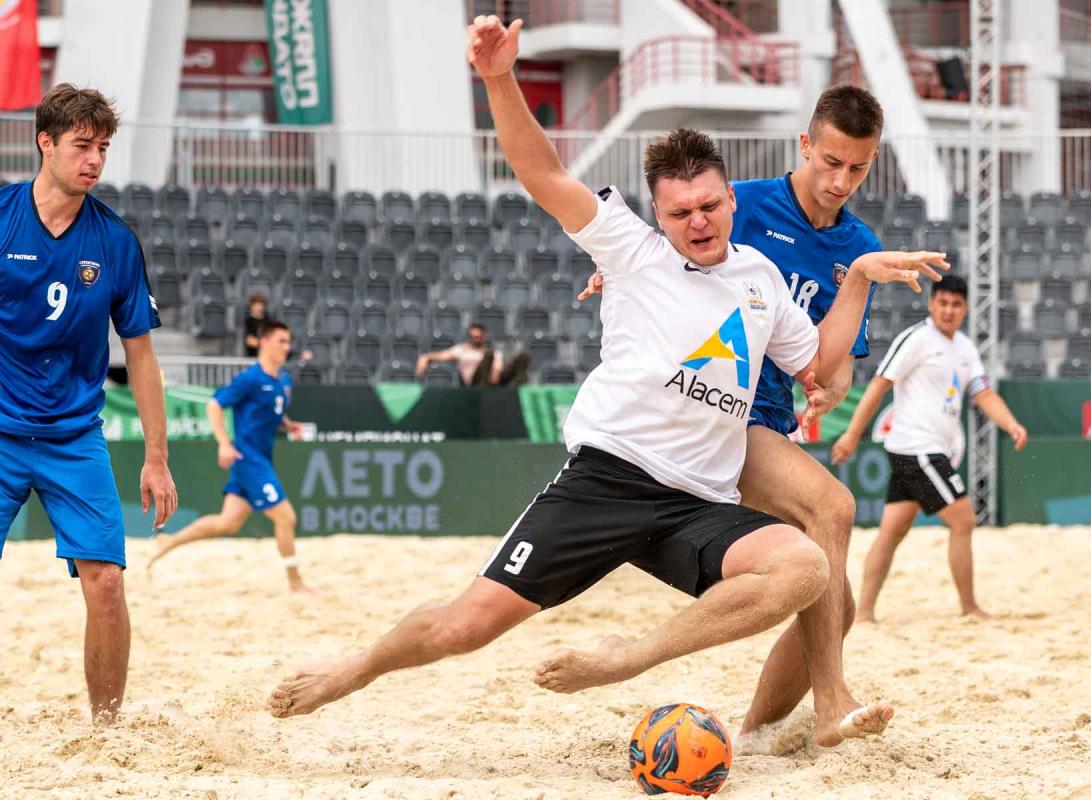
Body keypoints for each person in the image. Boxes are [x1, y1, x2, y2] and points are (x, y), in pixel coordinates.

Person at [268, 16, 945, 735]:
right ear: (657, 214)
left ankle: (632, 659)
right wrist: (499, 78)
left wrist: (859, 278)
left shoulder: (761, 279)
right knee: (466, 626)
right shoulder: (631, 249)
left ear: (732, 202)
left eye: (709, 207)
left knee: (807, 570)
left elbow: (819, 365)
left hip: (696, 501)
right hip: (608, 483)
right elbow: (543, 174)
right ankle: (354, 669)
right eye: (680, 212)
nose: (699, 222)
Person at [581, 86, 890, 745]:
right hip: (722, 413)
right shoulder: (737, 202)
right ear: (805, 145)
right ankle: (832, 702)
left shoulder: (859, 244)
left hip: (777, 419)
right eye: (831, 162)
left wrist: (834, 388)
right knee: (832, 508)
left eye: (858, 168)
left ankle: (754, 736)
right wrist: (616, 275)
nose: (841, 181)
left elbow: (837, 359)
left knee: (834, 606)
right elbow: (663, 253)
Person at [0, 83, 177, 724]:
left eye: (103, 147)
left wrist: (156, 458)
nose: (95, 159)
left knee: (107, 582)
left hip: (74, 438)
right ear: (44, 143)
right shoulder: (2, 217)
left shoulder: (115, 241)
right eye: (82, 145)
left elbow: (142, 356)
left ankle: (107, 732)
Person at [832, 275, 1028, 621]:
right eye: (943, 303)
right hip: (917, 448)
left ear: (966, 309)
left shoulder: (966, 348)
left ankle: (864, 613)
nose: (948, 310)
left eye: (956, 305)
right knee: (964, 520)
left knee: (891, 532)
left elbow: (983, 394)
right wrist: (851, 434)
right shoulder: (917, 339)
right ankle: (970, 608)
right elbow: (879, 385)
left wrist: (1011, 423)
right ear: (931, 304)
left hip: (924, 449)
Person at [148, 320, 310, 592]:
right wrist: (224, 443)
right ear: (264, 342)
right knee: (286, 517)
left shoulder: (283, 380)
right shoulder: (250, 378)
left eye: (288, 341)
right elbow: (214, 405)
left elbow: (271, 411)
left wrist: (287, 424)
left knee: (229, 522)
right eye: (281, 341)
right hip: (247, 459)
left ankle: (168, 541)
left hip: (261, 457)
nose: (287, 347)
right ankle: (296, 583)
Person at [415, 322, 529, 386]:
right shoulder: (461, 350)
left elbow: (496, 371)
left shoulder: (492, 352)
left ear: (483, 336)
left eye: (478, 337)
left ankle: (518, 388)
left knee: (523, 357)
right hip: (473, 382)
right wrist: (425, 358)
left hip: (493, 381)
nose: (475, 339)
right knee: (488, 357)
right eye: (472, 337)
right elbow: (441, 356)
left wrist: (495, 377)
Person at [242, 292, 269, 357]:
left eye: (261, 305)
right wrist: (263, 343)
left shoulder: (268, 320)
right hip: (252, 355)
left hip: (266, 355)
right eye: (256, 305)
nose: (259, 307)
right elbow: (249, 341)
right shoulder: (248, 321)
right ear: (252, 306)